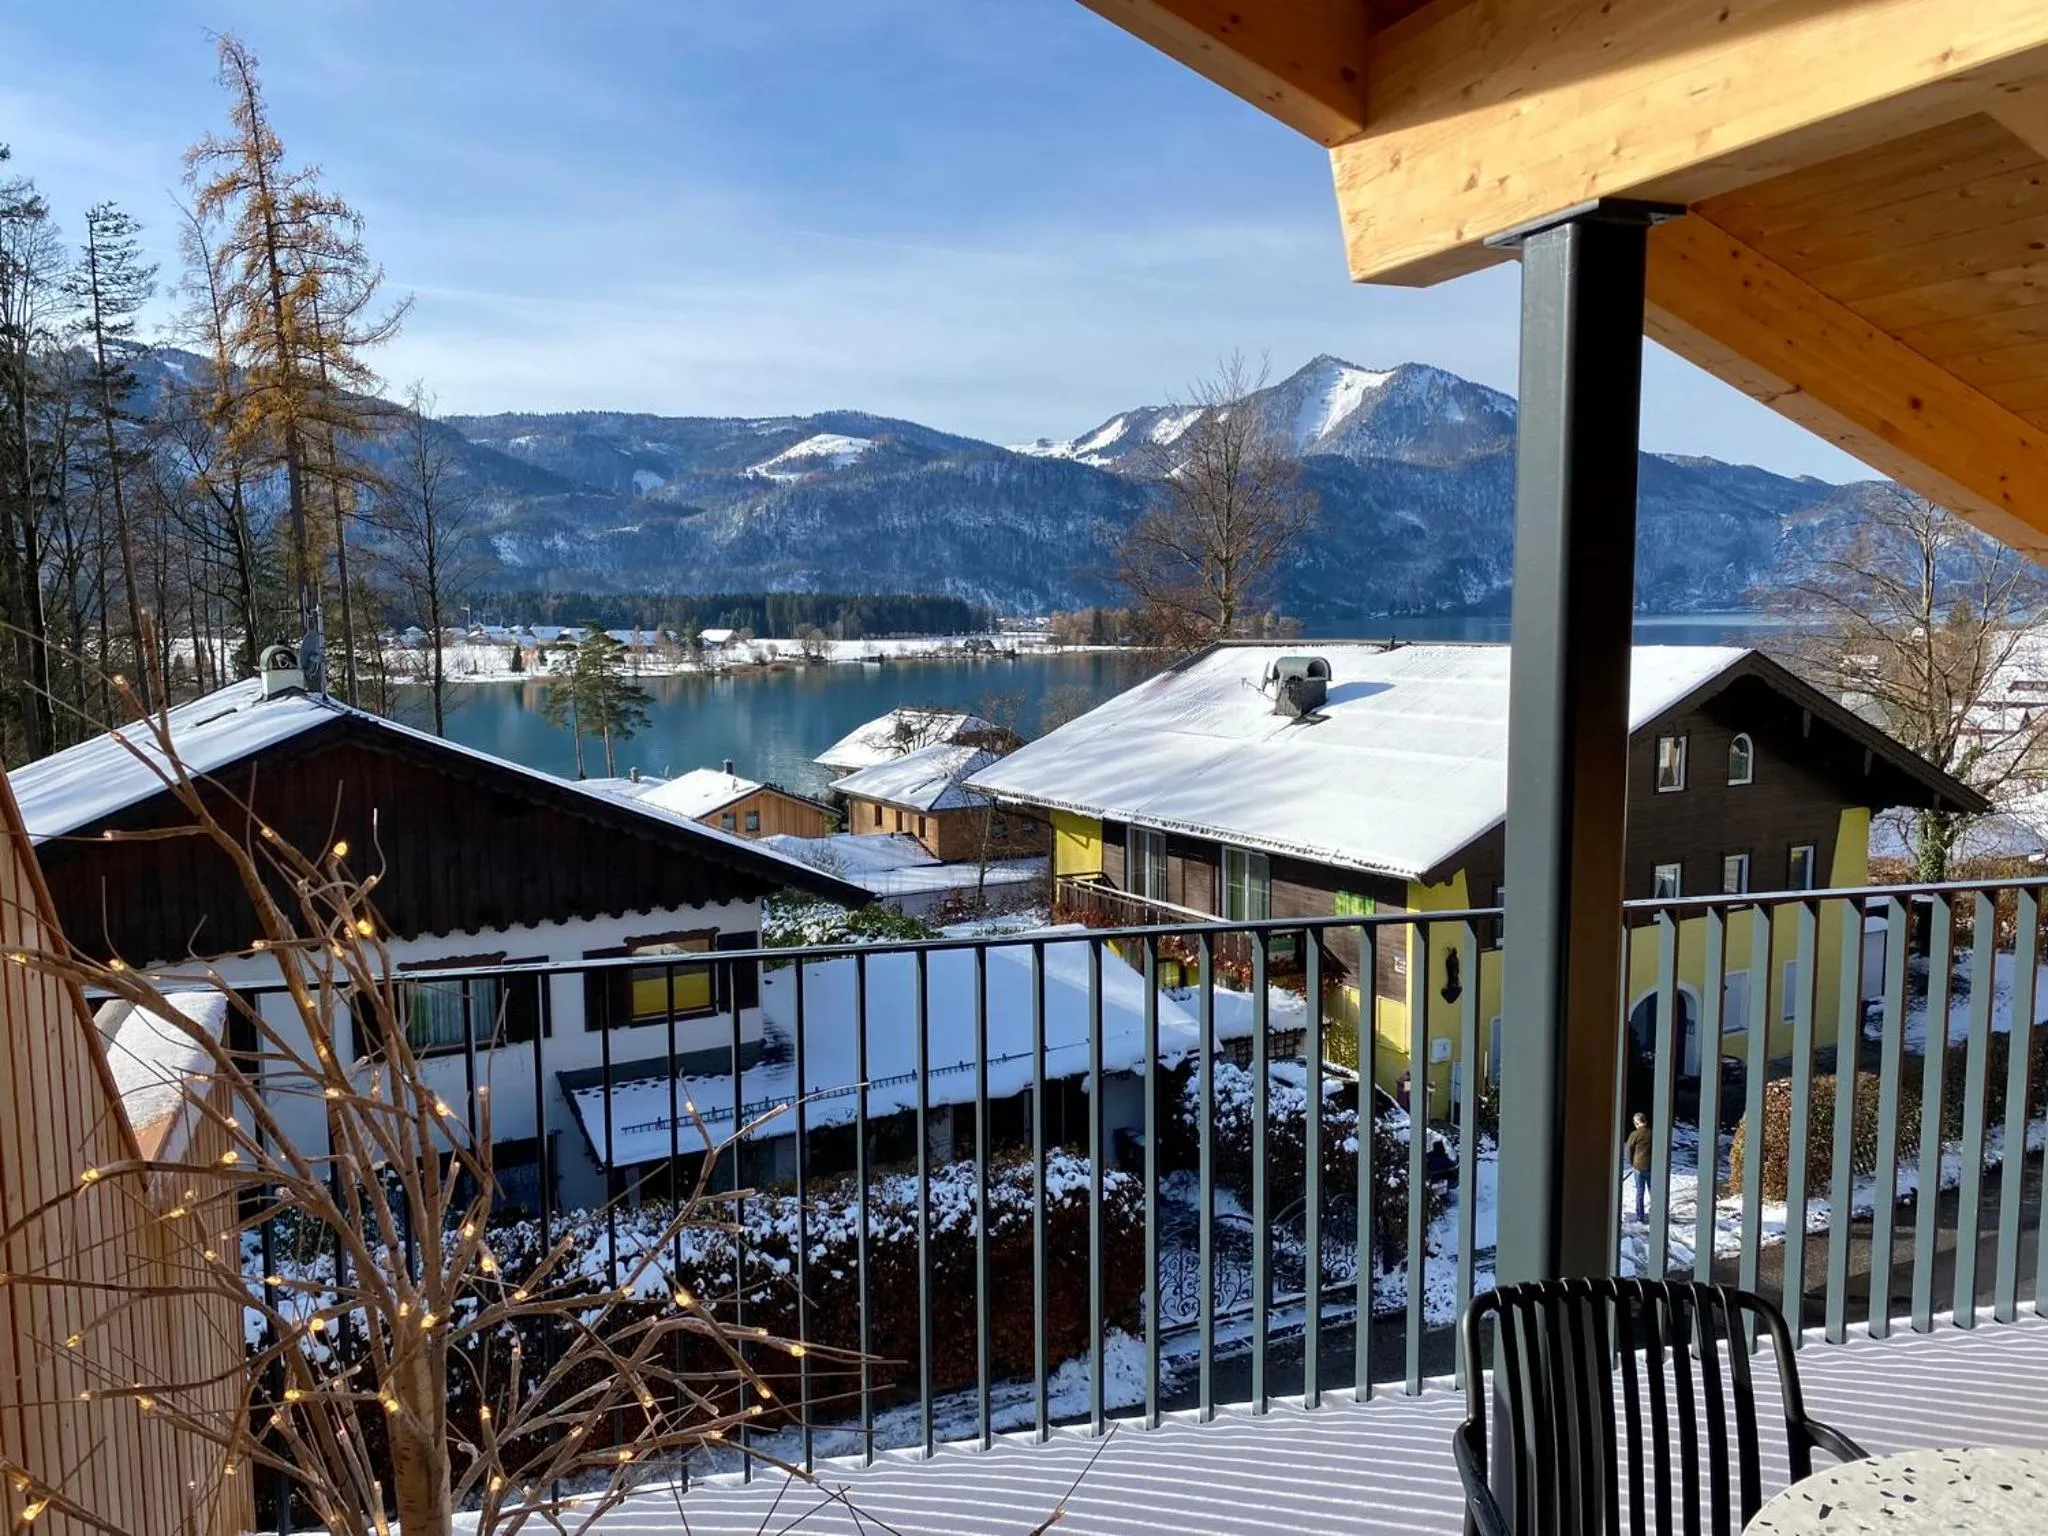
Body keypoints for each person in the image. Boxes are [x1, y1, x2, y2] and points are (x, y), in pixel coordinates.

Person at [1624, 1111, 1652, 1223]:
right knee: (1652, 1191)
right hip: (1651, 1166)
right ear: (1645, 1121)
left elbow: (1628, 1150)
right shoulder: (1652, 1133)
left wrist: (1631, 1162)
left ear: (1636, 1123)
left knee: (1640, 1192)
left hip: (1638, 1167)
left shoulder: (1634, 1134)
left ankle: (1640, 1216)